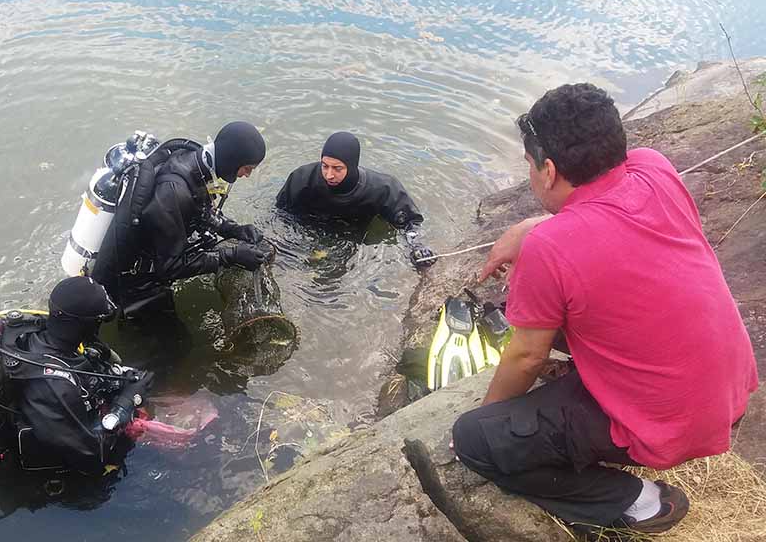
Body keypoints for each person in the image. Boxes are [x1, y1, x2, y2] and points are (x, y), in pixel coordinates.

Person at [450, 83, 758, 535]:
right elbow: (600, 206)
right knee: (549, 304)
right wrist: (527, 227)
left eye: (529, 167)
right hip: (728, 396)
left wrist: (491, 423)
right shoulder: (655, 169)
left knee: (474, 440)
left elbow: (526, 356)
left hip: (671, 423)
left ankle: (640, 502)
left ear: (548, 170)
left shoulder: (554, 248)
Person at [92, 121, 270, 315]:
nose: (247, 175)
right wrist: (231, 255)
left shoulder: (191, 160)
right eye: (247, 168)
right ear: (231, 159)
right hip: (134, 287)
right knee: (183, 343)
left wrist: (233, 229)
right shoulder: (173, 192)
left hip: (155, 256)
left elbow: (200, 209)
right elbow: (170, 267)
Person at [17, 276, 151, 474]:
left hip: (74, 425)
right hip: (68, 478)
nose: (99, 327)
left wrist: (125, 381)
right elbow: (90, 456)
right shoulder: (52, 385)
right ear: (82, 325)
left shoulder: (59, 341)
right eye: (98, 321)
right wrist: (125, 404)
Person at [274, 131, 435, 268]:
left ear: (351, 166)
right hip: (307, 233)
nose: (329, 175)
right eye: (324, 166)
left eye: (337, 168)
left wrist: (416, 246)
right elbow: (279, 213)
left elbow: (410, 222)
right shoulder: (302, 178)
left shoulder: (382, 188)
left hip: (351, 237)